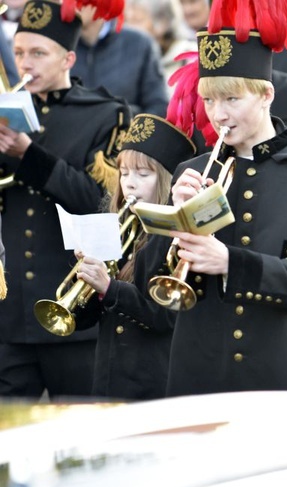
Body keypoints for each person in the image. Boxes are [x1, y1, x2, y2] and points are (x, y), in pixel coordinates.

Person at [140, 0, 287, 397]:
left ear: (266, 94)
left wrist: (230, 263)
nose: (218, 114)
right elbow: (153, 284)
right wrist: (176, 216)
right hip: (199, 369)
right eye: (209, 101)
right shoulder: (195, 168)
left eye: (231, 99)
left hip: (281, 372)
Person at [0, 0, 131, 399]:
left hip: (72, 310)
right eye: (20, 52)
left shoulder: (104, 114)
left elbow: (103, 202)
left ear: (68, 58)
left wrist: (29, 156)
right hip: (8, 316)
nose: (26, 64)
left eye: (39, 53)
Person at [74, 114, 196, 401]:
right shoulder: (115, 226)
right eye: (124, 172)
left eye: (143, 174)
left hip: (153, 381)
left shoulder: (175, 237)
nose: (129, 183)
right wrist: (86, 283)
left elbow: (165, 318)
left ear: (165, 181)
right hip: (108, 377)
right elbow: (85, 320)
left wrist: (109, 288)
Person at [72, 5, 169, 116]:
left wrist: (122, 119)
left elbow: (159, 107)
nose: (73, 3)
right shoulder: (58, 45)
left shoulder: (139, 44)